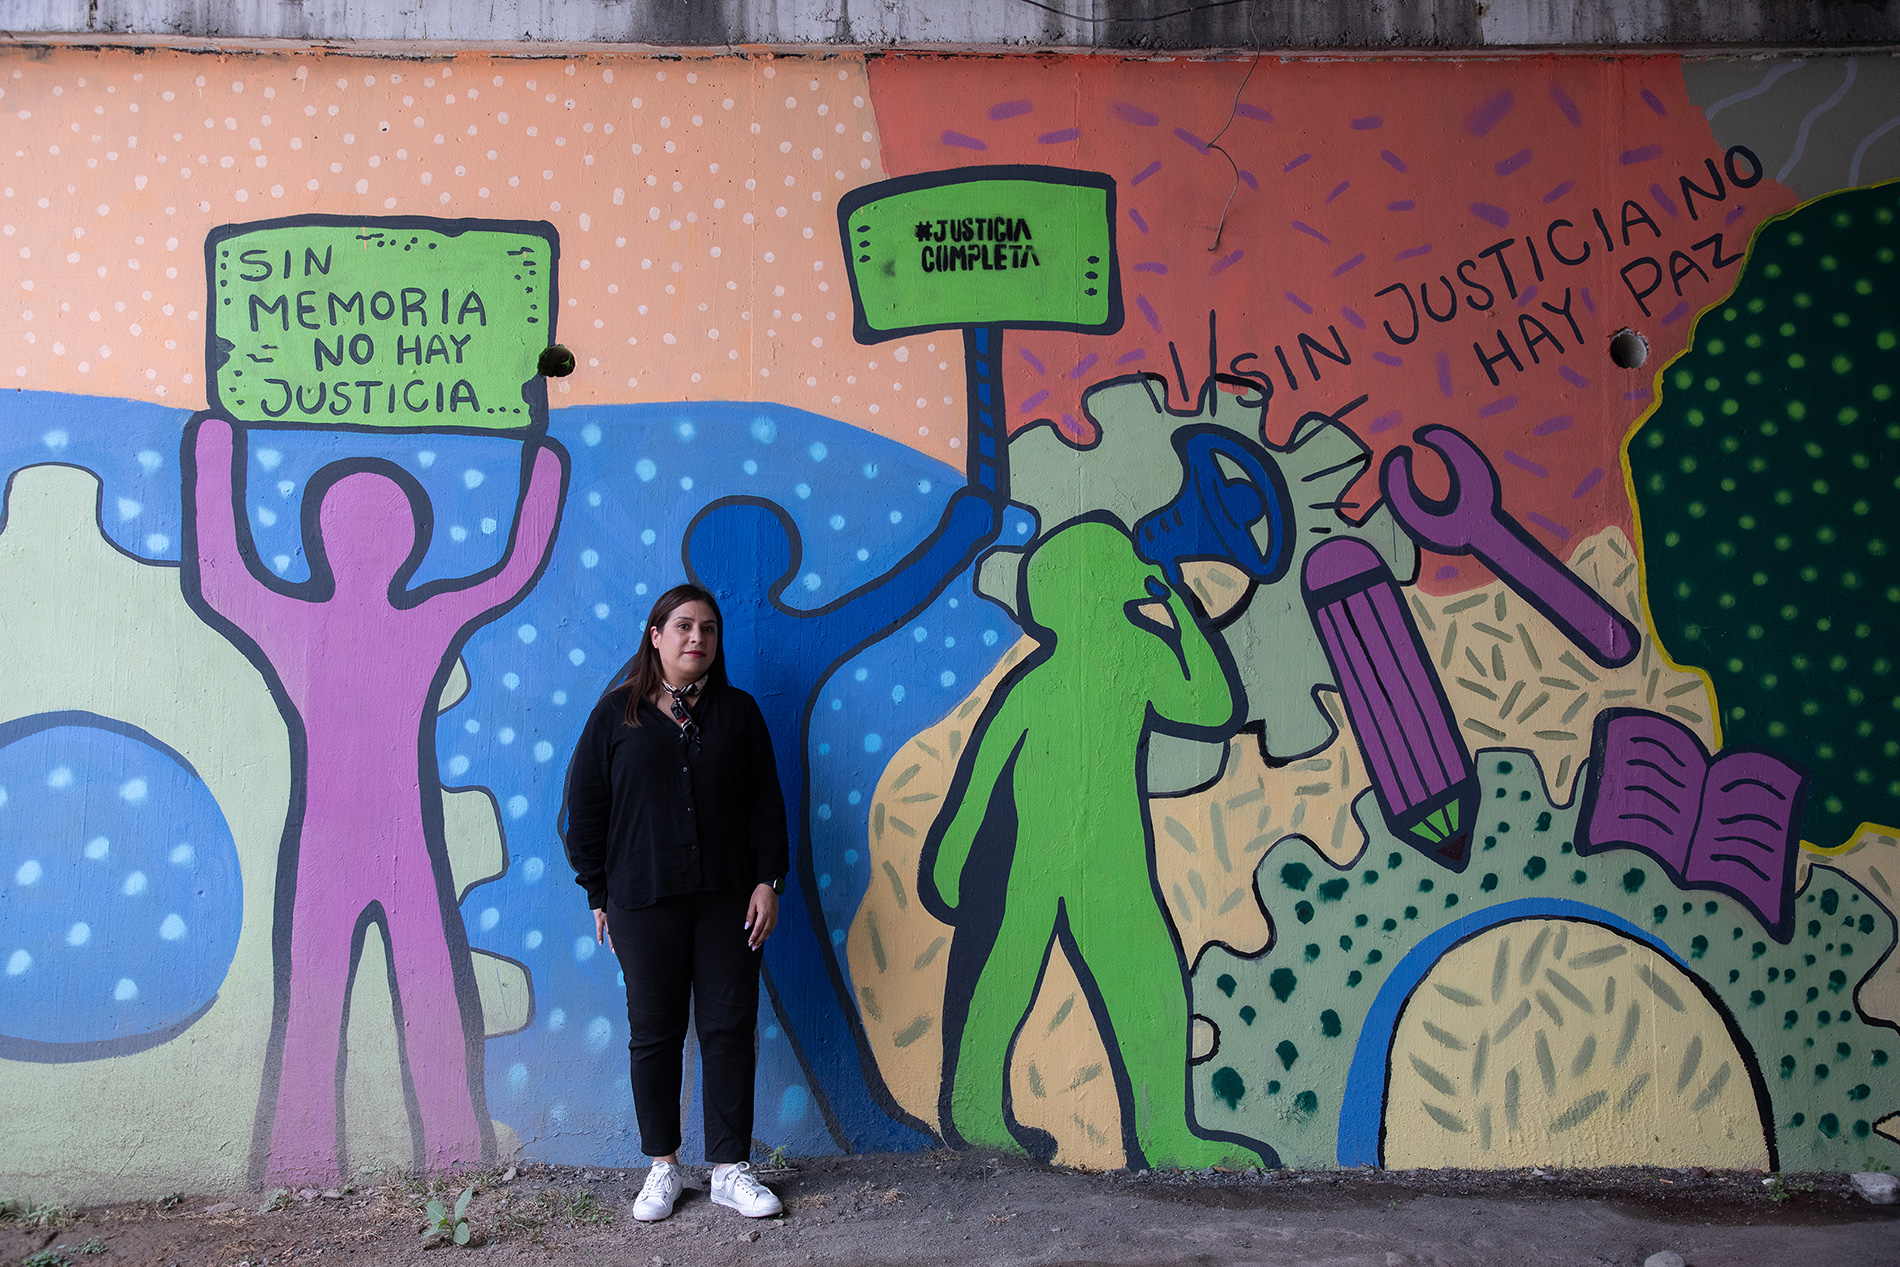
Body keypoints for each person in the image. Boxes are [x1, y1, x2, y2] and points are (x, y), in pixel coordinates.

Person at [562, 583, 789, 1222]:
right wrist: (598, 893)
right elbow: (585, 809)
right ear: (656, 635)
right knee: (654, 1033)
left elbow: (767, 804)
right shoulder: (616, 715)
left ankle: (729, 1169)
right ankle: (663, 1166)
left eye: (708, 629)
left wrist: (768, 881)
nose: (697, 638)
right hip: (642, 902)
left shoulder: (739, 713)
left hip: (729, 901)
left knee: (728, 1028)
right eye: (684, 626)